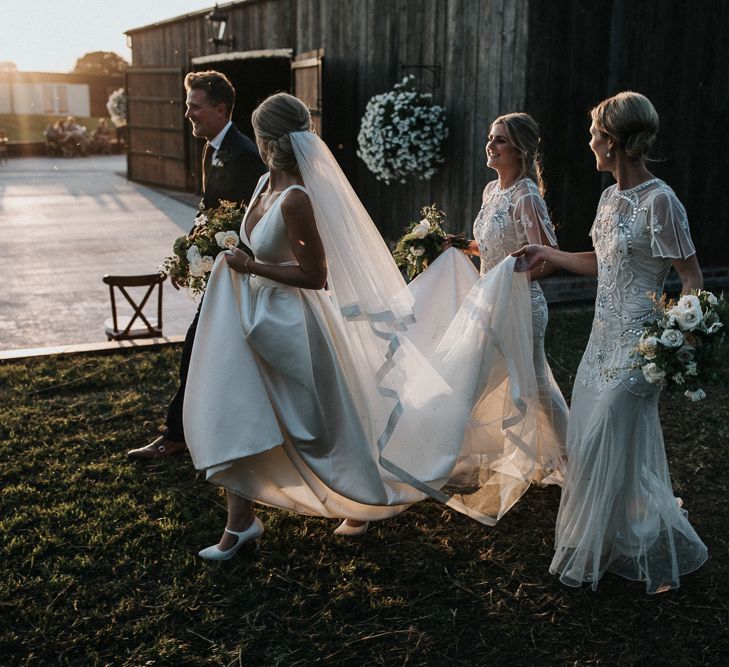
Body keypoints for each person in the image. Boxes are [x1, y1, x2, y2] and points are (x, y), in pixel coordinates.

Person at [183, 92, 429, 558]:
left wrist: (251, 268)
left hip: (292, 323)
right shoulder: (263, 186)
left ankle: (362, 497)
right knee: (239, 411)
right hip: (251, 316)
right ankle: (240, 524)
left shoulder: (297, 198)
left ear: (268, 139)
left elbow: (316, 276)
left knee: (320, 424)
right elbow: (254, 248)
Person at [514, 91, 707, 593]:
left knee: (606, 436)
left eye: (595, 133)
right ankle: (625, 531)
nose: (590, 141)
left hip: (642, 345)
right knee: (589, 437)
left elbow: (691, 278)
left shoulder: (661, 201)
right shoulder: (609, 198)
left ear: (615, 142)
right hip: (599, 341)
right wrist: (549, 254)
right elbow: (603, 265)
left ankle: (597, 547)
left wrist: (678, 337)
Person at [127, 70, 266, 460]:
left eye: (195, 105)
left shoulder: (245, 155)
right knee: (211, 350)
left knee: (198, 347)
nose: (188, 113)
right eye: (188, 105)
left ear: (221, 109)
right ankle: (194, 429)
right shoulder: (210, 149)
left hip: (243, 275)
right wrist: (187, 255)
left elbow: (256, 220)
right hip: (219, 271)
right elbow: (208, 211)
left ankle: (178, 435)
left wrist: (232, 258)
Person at [445, 113, 568, 469]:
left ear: (520, 150)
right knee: (485, 376)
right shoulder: (491, 191)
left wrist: (506, 284)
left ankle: (571, 455)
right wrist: (463, 246)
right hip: (487, 301)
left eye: (499, 140)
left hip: (520, 305)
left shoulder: (526, 196)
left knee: (535, 384)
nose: (490, 145)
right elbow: (496, 248)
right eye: (490, 137)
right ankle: (458, 450)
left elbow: (549, 259)